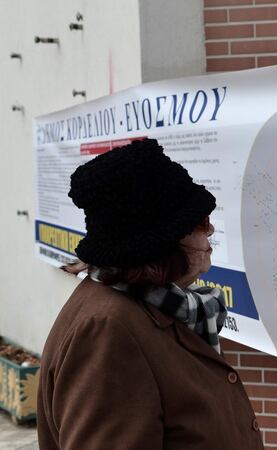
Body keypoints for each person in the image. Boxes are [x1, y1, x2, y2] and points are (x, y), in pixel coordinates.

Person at [37, 139, 263, 450]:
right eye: (199, 222)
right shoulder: (108, 332)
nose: (210, 232)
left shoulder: (160, 305)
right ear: (161, 244)